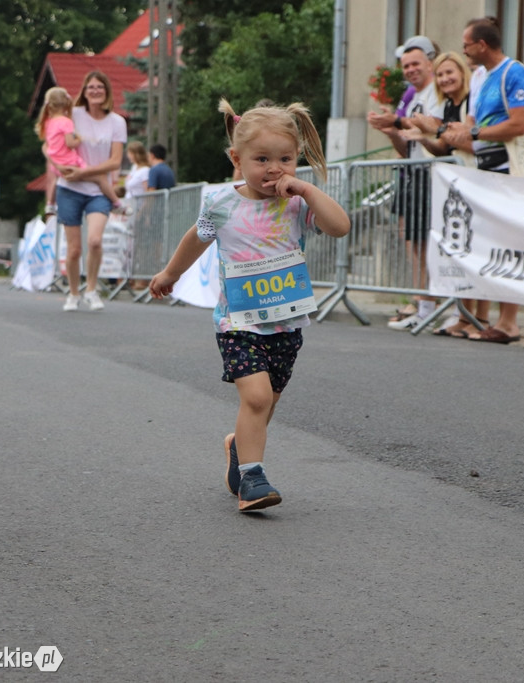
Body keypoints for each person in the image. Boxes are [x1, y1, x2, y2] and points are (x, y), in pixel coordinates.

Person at [148, 98, 350, 512]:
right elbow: (194, 240)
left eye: (285, 159)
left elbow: (340, 227)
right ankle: (252, 480)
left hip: (285, 322)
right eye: (262, 159)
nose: (274, 169)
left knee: (267, 401)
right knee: (256, 397)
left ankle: (239, 449)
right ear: (237, 159)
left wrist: (309, 190)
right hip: (237, 322)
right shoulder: (221, 204)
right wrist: (171, 274)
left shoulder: (295, 203)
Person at [438, 17, 524, 343]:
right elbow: (470, 123)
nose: (463, 50)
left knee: (510, 245)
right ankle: (481, 317)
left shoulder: (513, 72)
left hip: (509, 169)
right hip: (484, 166)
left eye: (466, 45)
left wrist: (474, 132)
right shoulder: (479, 76)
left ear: (482, 45)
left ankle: (510, 322)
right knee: (487, 243)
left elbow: (519, 124)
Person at [401, 51, 491, 338]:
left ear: (463, 74)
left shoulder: (470, 104)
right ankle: (463, 314)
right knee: (461, 250)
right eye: (440, 75)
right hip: (457, 186)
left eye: (450, 72)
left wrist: (435, 129)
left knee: (477, 250)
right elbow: (444, 147)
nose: (445, 78)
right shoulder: (448, 105)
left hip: (476, 181)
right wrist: (425, 137)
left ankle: (479, 316)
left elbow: (471, 144)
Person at [367, 36, 444, 330]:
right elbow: (404, 146)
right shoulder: (411, 95)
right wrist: (389, 129)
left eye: (415, 64)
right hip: (411, 171)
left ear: (429, 62)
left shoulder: (435, 92)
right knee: (412, 240)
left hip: (430, 171)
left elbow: (434, 130)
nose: (410, 70)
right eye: (405, 66)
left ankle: (428, 304)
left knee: (425, 241)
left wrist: (397, 123)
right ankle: (421, 302)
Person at [53, 71, 127, 312]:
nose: (95, 91)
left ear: (106, 91)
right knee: (74, 249)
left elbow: (115, 161)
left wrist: (84, 173)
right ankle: (73, 293)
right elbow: (50, 140)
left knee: (94, 241)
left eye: (100, 87)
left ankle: (92, 289)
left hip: (98, 190)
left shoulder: (117, 122)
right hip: (69, 189)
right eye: (90, 87)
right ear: (84, 92)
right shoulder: (72, 116)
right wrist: (56, 163)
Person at [36, 86, 127, 215]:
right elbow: (70, 143)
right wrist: (78, 139)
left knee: (57, 180)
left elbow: (47, 145)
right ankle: (116, 203)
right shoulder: (66, 122)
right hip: (71, 162)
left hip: (58, 165)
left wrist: (57, 165)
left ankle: (50, 204)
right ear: (67, 103)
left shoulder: (49, 123)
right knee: (100, 178)